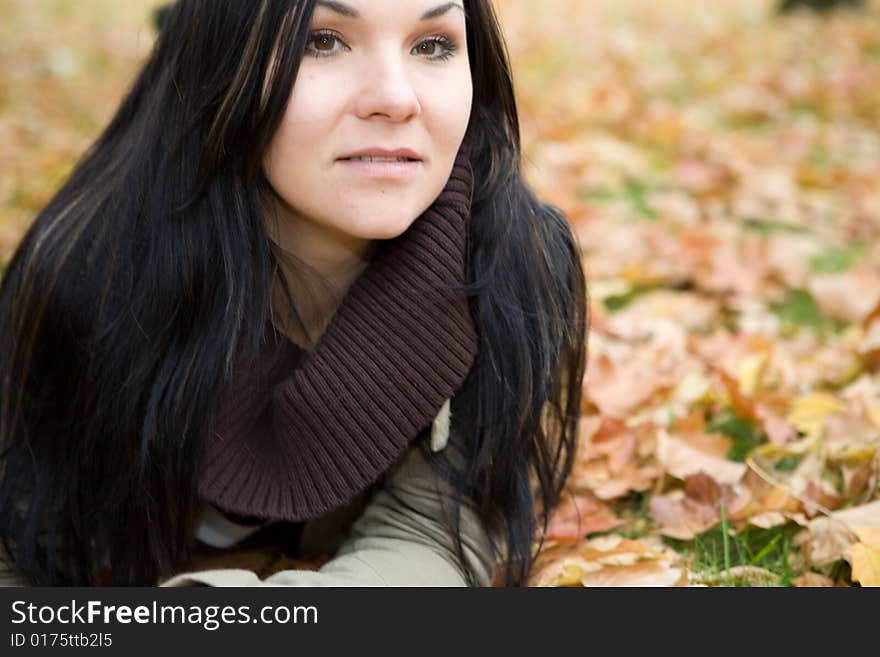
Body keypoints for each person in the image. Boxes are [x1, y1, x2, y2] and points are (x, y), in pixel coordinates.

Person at [0, 0, 588, 587]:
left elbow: (428, 536)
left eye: (432, 45)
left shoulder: (506, 267)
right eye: (323, 41)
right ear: (226, 62)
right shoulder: (90, 273)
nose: (396, 97)